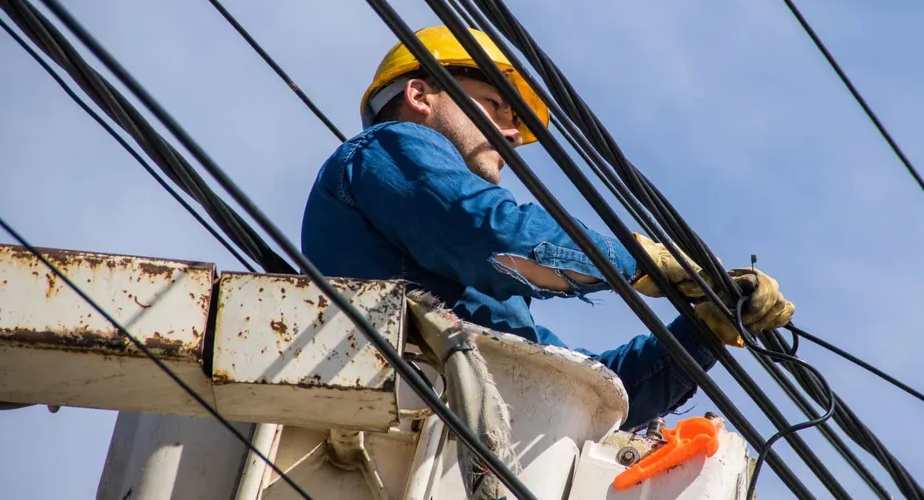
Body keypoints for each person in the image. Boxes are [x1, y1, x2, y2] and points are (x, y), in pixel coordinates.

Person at [302, 26, 794, 430]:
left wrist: (705, 328)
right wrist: (644, 260)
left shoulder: (484, 308)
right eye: (496, 105)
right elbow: (496, 234)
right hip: (394, 416)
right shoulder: (388, 147)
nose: (513, 136)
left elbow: (599, 393)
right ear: (420, 94)